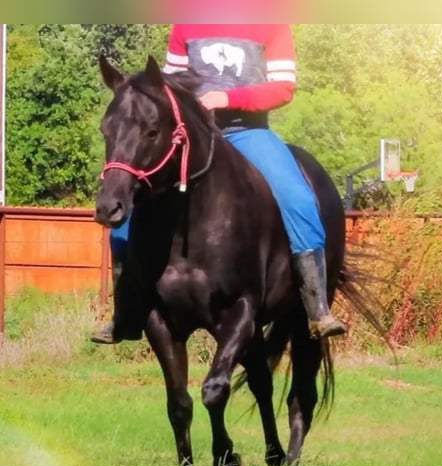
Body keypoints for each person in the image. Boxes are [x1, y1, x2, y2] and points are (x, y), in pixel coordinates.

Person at [91, 24, 346, 344]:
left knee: (300, 200)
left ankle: (316, 309)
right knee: (128, 206)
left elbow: (283, 88)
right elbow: (164, 90)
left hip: (248, 132)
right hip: (193, 138)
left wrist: (226, 97)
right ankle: (126, 314)